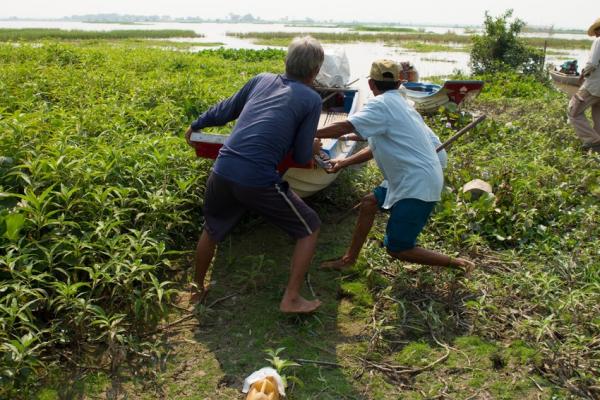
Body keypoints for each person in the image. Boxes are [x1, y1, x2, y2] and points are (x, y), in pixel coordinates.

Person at [184, 36, 324, 313]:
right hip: (257, 178)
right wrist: (313, 146)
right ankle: (292, 298)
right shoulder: (311, 98)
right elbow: (300, 157)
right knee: (310, 227)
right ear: (315, 71)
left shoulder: (261, 79)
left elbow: (226, 109)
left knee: (212, 229)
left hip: (222, 169)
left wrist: (196, 124)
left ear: (286, 61)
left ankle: (197, 289)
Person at [316, 59, 474, 272]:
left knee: (398, 249)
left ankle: (459, 264)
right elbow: (374, 146)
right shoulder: (401, 105)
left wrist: (304, 132)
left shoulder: (381, 105)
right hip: (410, 176)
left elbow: (345, 126)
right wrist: (343, 162)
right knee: (369, 203)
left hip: (417, 183)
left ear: (371, 84)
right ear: (400, 83)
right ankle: (348, 260)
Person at [568, 18, 600, 153]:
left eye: (597, 31)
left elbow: (592, 64)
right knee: (598, 117)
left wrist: (583, 73)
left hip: (594, 85)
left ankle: (594, 142)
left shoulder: (599, 41)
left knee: (573, 111)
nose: (596, 34)